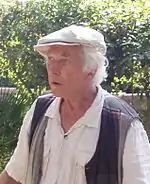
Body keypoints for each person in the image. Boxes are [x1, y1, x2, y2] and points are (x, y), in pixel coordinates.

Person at [0, 25, 150, 184]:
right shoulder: (40, 110)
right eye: (50, 59)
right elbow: (15, 175)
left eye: (65, 60)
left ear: (91, 70)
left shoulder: (122, 123)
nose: (53, 69)